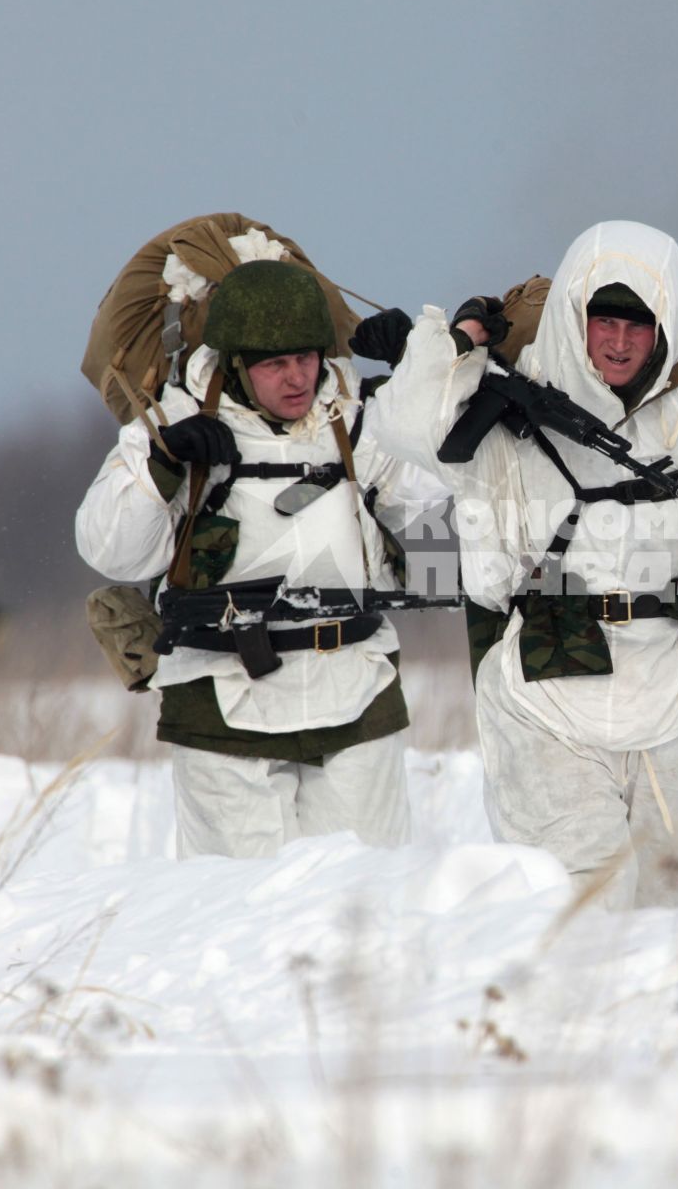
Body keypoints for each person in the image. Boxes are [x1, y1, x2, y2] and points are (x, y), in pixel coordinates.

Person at [362, 220, 678, 908]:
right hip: (544, 703)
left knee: (676, 919)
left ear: (667, 325)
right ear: (576, 317)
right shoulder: (504, 399)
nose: (618, 342)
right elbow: (405, 428)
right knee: (571, 920)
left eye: (637, 326)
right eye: (603, 320)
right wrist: (460, 342)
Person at [75, 260, 427, 857]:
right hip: (222, 702)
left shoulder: (358, 420)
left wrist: (422, 375)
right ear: (237, 364)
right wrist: (163, 465)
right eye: (273, 363)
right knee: (242, 912)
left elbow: (447, 480)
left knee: (363, 906)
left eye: (306, 358)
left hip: (355, 693)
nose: (297, 378)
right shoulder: (173, 423)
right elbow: (110, 550)